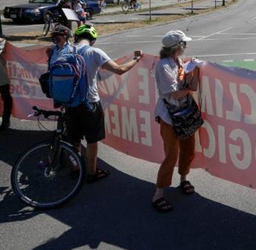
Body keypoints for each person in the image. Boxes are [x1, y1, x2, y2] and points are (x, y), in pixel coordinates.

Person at [66, 26, 143, 182]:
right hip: (89, 103)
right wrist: (136, 59)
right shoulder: (94, 52)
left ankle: (75, 168)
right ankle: (92, 172)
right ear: (93, 40)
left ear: (76, 37)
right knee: (92, 139)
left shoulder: (65, 50)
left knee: (74, 139)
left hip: (69, 102)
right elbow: (119, 69)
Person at [152, 30, 199, 213]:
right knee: (171, 155)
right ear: (177, 47)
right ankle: (158, 194)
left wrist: (193, 70)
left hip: (184, 113)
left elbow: (189, 85)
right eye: (184, 44)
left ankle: (183, 179)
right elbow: (175, 93)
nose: (186, 47)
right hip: (170, 117)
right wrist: (188, 89)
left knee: (188, 149)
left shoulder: (178, 61)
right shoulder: (163, 66)